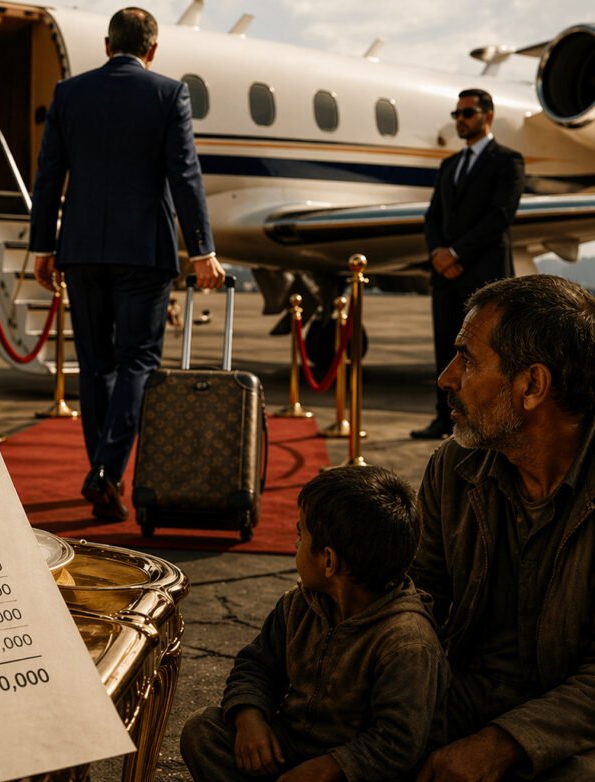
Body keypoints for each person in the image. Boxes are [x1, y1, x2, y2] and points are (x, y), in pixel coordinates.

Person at [28, 7, 225, 521]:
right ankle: (108, 471)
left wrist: (42, 247)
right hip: (144, 252)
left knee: (95, 365)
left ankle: (104, 474)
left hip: (84, 250)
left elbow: (49, 176)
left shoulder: (69, 94)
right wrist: (202, 249)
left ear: (106, 43)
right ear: (152, 49)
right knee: (137, 360)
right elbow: (185, 175)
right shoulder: (167, 93)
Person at [410, 275, 595, 781]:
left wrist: (505, 743)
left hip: (570, 721)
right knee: (221, 739)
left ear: (532, 385)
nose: (447, 378)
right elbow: (415, 598)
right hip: (463, 696)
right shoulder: (455, 467)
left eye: (467, 359)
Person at [180, 465, 448, 782]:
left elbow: (397, 743)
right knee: (203, 731)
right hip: (290, 750)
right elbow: (257, 665)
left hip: (351, 770)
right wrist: (249, 717)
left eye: (300, 536)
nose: (296, 546)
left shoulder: (406, 641)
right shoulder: (299, 603)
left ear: (329, 561)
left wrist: (327, 769)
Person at [411, 88, 524, 440]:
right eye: (457, 114)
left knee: (486, 352)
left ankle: (489, 420)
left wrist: (456, 253)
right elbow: (433, 217)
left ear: (487, 116)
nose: (460, 120)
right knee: (445, 346)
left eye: (468, 113)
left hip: (483, 273)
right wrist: (437, 254)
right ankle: (444, 419)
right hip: (446, 275)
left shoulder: (508, 161)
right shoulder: (449, 165)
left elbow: (500, 215)